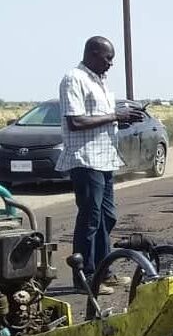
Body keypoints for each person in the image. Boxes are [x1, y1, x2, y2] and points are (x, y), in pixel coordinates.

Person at [56, 36, 146, 295]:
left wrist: (122, 119)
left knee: (107, 217)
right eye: (108, 58)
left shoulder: (101, 82)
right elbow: (76, 121)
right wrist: (115, 115)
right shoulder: (74, 78)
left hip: (104, 159)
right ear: (93, 53)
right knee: (90, 219)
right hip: (85, 160)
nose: (110, 64)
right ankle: (84, 278)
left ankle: (105, 271)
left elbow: (102, 120)